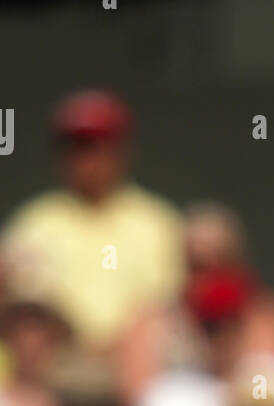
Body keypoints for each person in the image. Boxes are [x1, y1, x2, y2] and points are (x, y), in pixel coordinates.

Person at [0, 91, 183, 351]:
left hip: (139, 364)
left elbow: (168, 304)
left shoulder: (157, 222)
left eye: (94, 146)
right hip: (57, 364)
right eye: (74, 147)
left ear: (120, 150)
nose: (85, 161)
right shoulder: (35, 222)